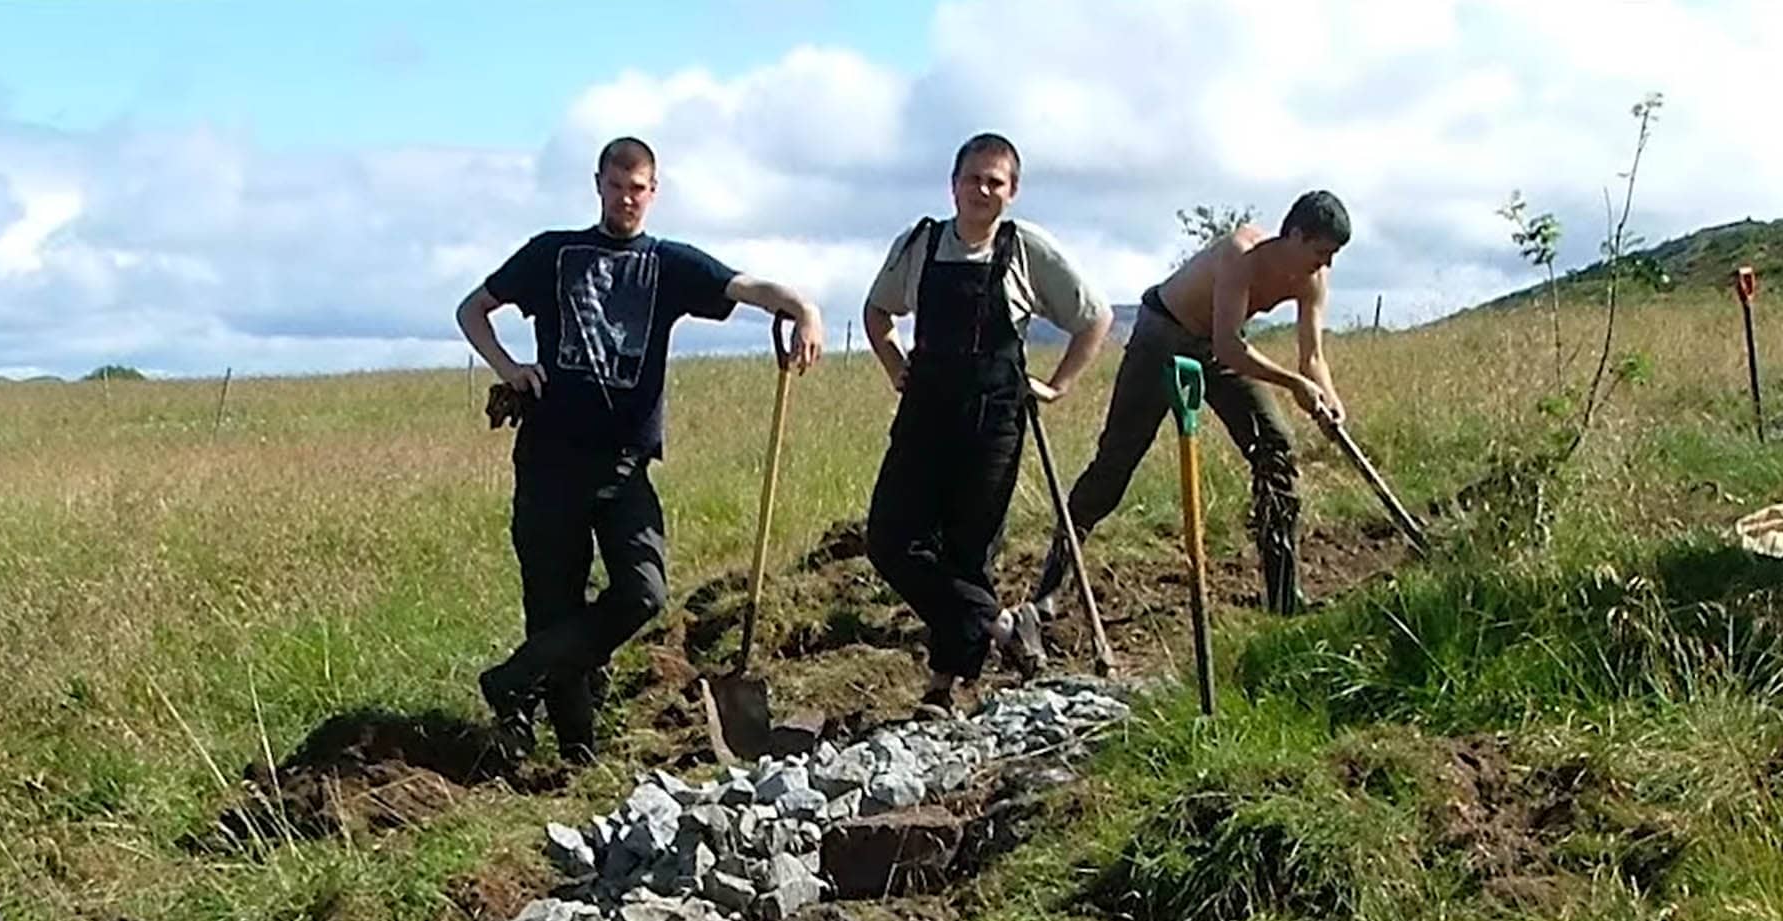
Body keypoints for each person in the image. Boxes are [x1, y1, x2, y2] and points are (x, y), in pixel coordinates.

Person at [455, 136, 825, 763]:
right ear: (597, 185)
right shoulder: (552, 253)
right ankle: (574, 752)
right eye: (617, 186)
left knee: (644, 591)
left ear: (654, 193)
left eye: (639, 189)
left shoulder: (668, 264)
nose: (627, 198)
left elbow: (749, 287)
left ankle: (511, 680)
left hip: (624, 467)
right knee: (553, 607)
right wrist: (509, 366)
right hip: (550, 461)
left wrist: (806, 309)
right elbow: (473, 309)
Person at [862, 133, 1113, 720]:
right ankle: (1004, 625)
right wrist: (897, 368)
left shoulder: (1026, 250)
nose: (983, 190)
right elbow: (878, 313)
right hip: (924, 415)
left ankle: (942, 690)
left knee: (969, 552)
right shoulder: (920, 243)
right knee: (890, 539)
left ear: (1013, 191)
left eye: (995, 181)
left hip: (994, 419)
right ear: (953, 184)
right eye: (974, 178)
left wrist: (1059, 384)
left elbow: (1094, 318)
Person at [1033, 190, 1351, 618]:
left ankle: (1283, 595)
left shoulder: (1314, 278)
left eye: (1332, 255)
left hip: (1214, 350)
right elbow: (1230, 344)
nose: (1325, 264)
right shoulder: (1241, 253)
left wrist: (1328, 400)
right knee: (1114, 466)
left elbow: (1312, 356)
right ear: (1293, 235)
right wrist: (1294, 385)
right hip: (1161, 336)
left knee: (1275, 445)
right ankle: (1049, 587)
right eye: (1320, 252)